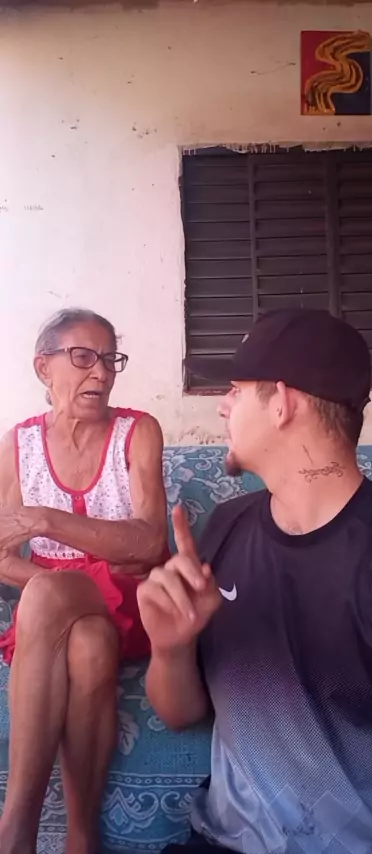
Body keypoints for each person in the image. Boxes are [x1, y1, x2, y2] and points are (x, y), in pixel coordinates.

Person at [138, 308, 372, 854]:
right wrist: (170, 647)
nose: (222, 406)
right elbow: (181, 714)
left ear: (281, 403)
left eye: (235, 390)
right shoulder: (223, 531)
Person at [0, 308, 168, 854]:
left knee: (51, 594)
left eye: (109, 359)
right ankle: (82, 836)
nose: (100, 372)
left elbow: (149, 543)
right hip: (58, 611)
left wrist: (46, 521)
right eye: (82, 357)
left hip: (129, 600)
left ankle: (14, 832)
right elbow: (1, 554)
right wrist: (51, 591)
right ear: (43, 367)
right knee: (88, 642)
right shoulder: (18, 445)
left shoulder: (137, 431)